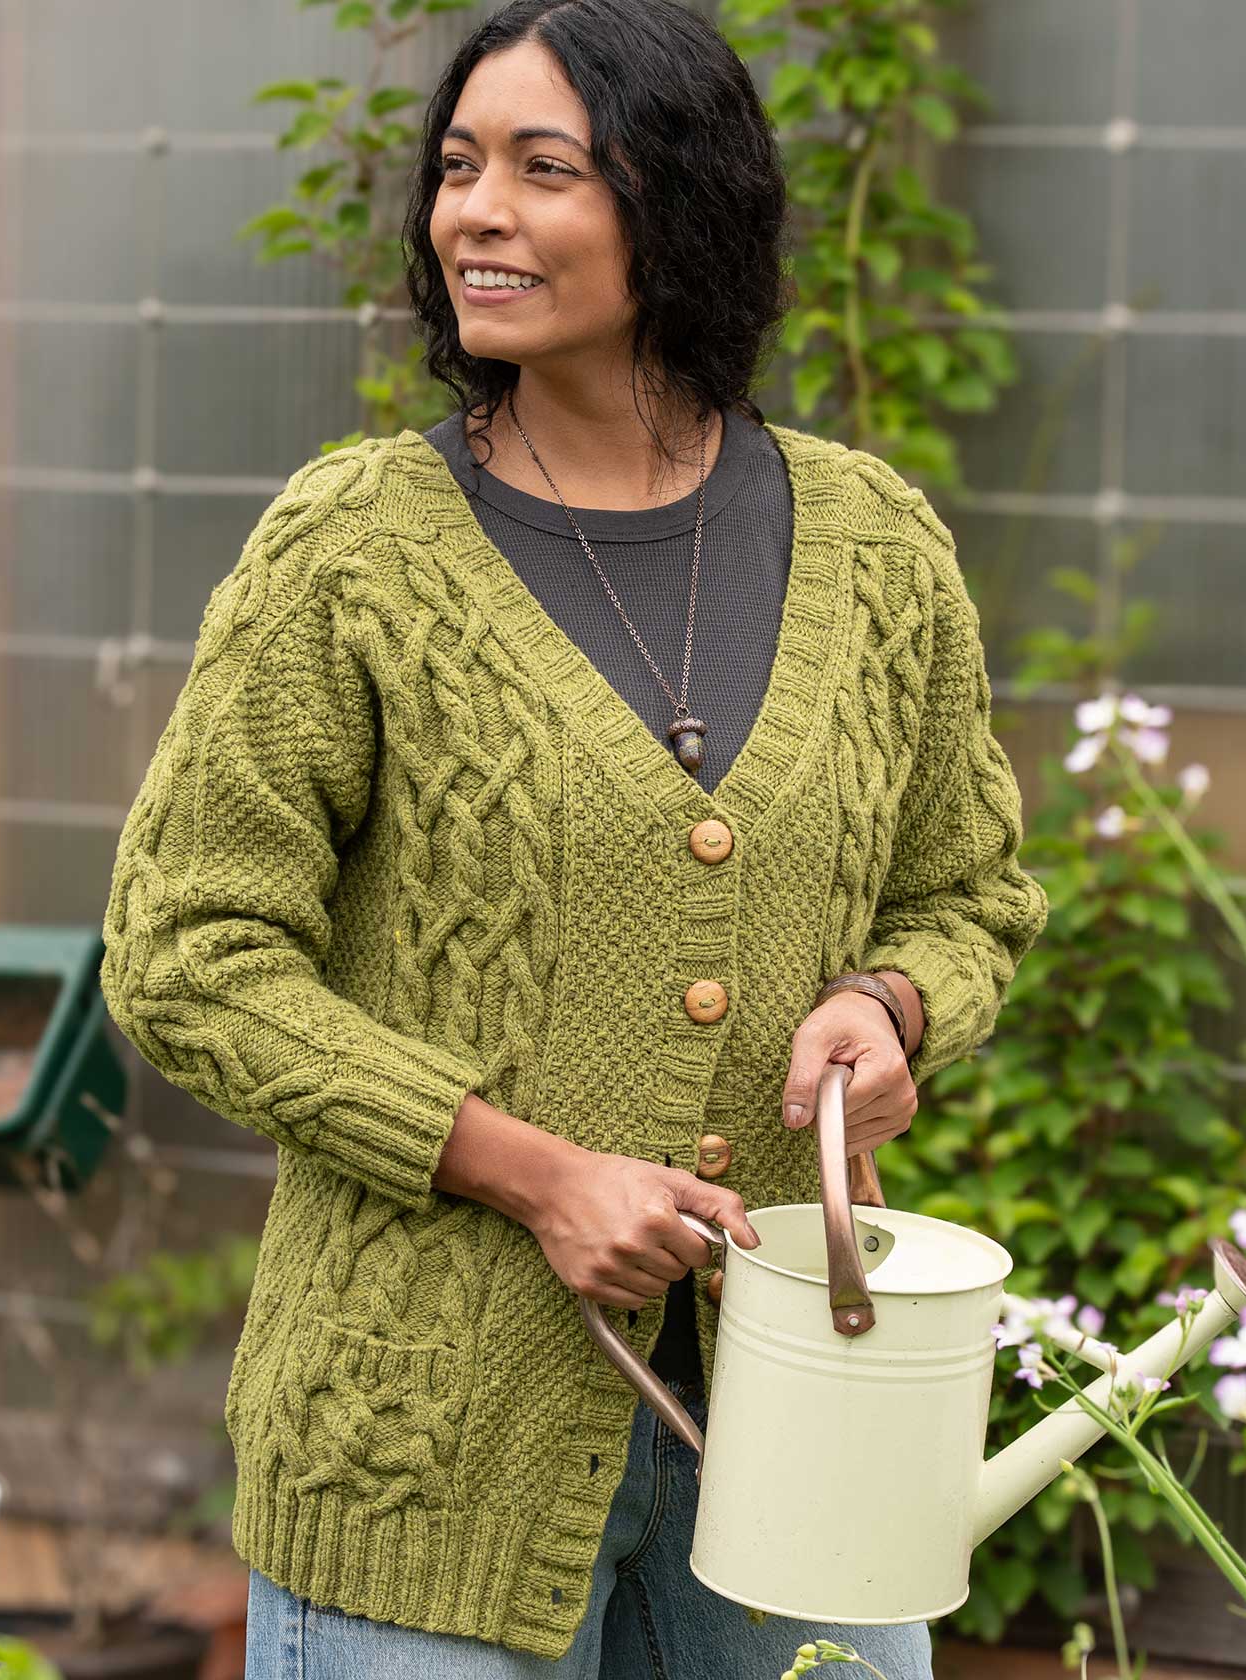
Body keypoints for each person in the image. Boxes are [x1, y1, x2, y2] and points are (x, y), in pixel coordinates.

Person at [99, 1, 1048, 1674]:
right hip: (424, 1447)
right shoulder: (354, 551)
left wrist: (891, 1005)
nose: (477, 211)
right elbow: (187, 956)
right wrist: (529, 1173)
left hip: (806, 1429)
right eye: (459, 167)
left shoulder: (876, 547)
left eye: (545, 169)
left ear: (679, 202)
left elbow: (968, 889)